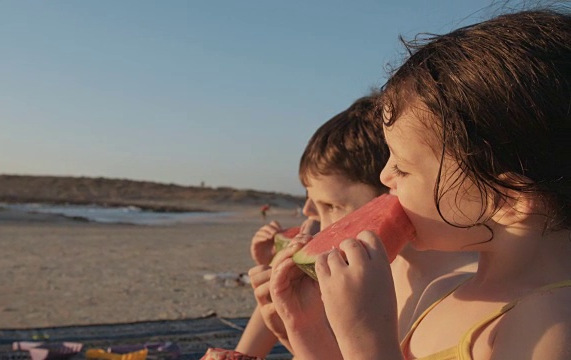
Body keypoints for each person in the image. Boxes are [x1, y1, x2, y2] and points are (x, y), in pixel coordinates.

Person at [270, 9, 571, 359]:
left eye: (404, 167)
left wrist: (365, 338)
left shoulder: (550, 324)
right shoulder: (441, 291)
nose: (385, 178)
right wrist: (306, 329)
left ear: (508, 199)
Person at [237, 94, 477, 357]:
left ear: (393, 191)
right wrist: (292, 328)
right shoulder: (361, 274)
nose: (316, 221)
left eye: (331, 206)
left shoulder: (469, 292)